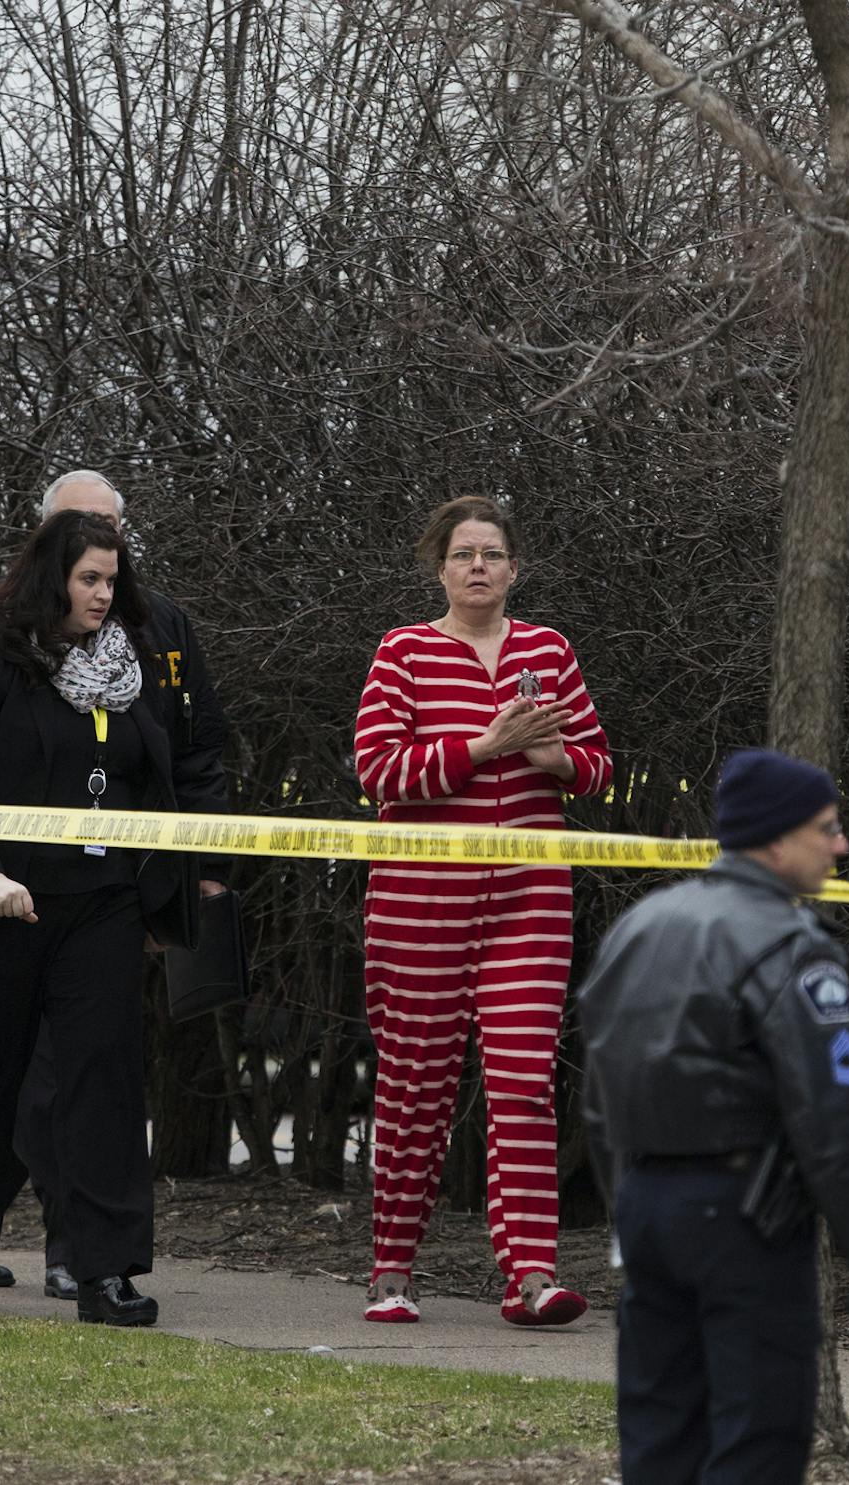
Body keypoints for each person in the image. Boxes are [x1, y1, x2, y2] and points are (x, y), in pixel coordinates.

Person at [0, 471, 229, 1302]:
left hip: (101, 899)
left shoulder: (138, 659)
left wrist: (169, 888)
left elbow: (170, 770)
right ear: (52, 573)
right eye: (89, 578)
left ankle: (103, 1267)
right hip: (0, 900)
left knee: (104, 1076)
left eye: (113, 580)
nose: (104, 594)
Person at [575, 748, 849, 1485]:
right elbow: (835, 1115)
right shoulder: (794, 948)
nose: (842, 844)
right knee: (758, 1435)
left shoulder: (641, 927)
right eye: (828, 827)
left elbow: (599, 1095)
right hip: (748, 1218)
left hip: (649, 1207)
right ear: (778, 838)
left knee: (658, 1433)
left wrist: (628, 1205)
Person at [352, 496, 612, 1327]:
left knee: (523, 1083)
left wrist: (555, 758)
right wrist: (484, 749)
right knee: (414, 1086)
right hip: (419, 900)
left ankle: (532, 1276)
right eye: (463, 554)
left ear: (513, 568)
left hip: (530, 899)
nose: (477, 567)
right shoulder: (404, 651)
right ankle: (392, 1270)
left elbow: (599, 768)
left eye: (492, 554)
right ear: (440, 568)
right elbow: (379, 771)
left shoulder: (550, 651)